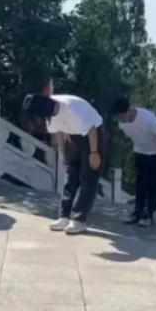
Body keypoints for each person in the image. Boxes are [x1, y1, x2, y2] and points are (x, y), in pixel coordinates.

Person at [21, 93, 106, 235]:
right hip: (73, 135)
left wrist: (94, 153)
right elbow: (59, 131)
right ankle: (64, 216)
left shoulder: (72, 108)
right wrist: (63, 153)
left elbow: (91, 129)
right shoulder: (48, 111)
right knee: (71, 176)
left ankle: (79, 220)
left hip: (94, 136)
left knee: (87, 178)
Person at [111, 97, 156, 227]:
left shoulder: (147, 118)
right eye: (118, 118)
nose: (121, 120)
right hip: (141, 151)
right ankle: (137, 212)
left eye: (122, 116)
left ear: (129, 110)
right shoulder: (122, 124)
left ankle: (148, 214)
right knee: (140, 184)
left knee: (153, 184)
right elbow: (132, 137)